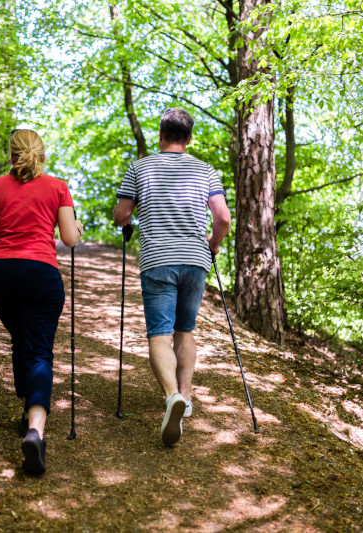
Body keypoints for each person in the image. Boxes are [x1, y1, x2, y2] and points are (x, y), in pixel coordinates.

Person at [113, 108, 231, 447]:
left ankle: (170, 398)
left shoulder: (140, 167)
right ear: (189, 138)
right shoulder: (205, 170)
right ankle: (186, 396)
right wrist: (212, 245)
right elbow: (222, 218)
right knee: (185, 331)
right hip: (195, 259)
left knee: (160, 335)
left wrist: (126, 220)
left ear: (161, 135)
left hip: (158, 259)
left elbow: (122, 214)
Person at [0, 129, 83, 475]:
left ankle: (26, 412)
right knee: (37, 349)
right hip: (40, 274)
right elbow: (68, 238)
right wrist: (77, 227)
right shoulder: (58, 187)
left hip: (1, 273)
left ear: (11, 155)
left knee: (22, 338)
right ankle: (36, 429)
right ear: (42, 155)